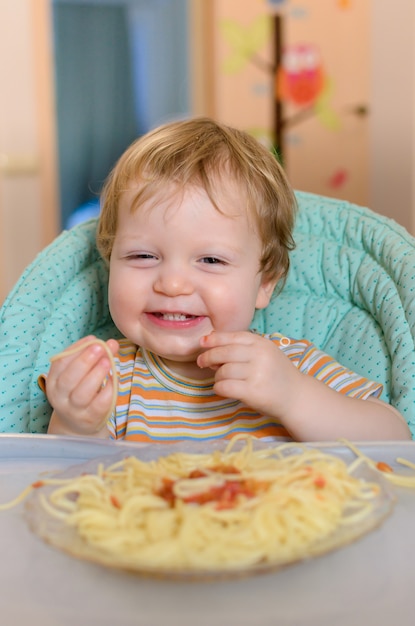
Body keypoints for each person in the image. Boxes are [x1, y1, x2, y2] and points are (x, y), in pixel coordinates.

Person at [43, 117, 411, 442]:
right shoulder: (107, 378)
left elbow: (394, 438)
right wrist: (77, 424)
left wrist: (294, 397)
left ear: (265, 282)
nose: (172, 285)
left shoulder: (289, 366)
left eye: (210, 259)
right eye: (143, 256)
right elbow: (62, 481)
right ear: (110, 264)